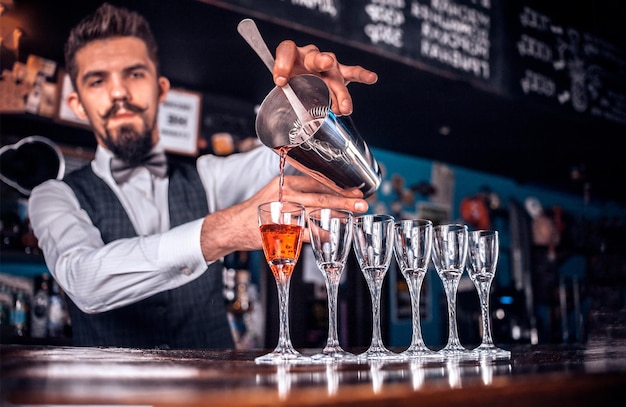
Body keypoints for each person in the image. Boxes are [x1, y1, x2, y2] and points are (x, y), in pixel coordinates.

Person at [28, 3, 378, 349]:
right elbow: (83, 280)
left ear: (161, 89)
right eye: (97, 81)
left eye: (134, 74)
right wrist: (220, 232)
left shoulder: (210, 176)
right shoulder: (53, 196)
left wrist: (314, 112)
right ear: (77, 103)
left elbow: (333, 181)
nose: (119, 92)